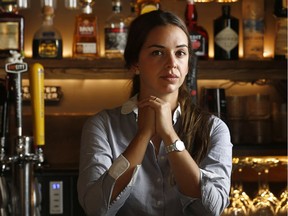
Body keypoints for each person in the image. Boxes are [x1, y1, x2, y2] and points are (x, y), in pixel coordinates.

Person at [77, 10, 233, 216]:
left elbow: (212, 208)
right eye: (157, 52)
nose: (172, 63)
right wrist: (142, 136)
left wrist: (170, 136)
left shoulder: (214, 128)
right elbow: (96, 208)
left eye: (180, 53)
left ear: (188, 65)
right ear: (135, 63)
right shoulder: (102, 126)